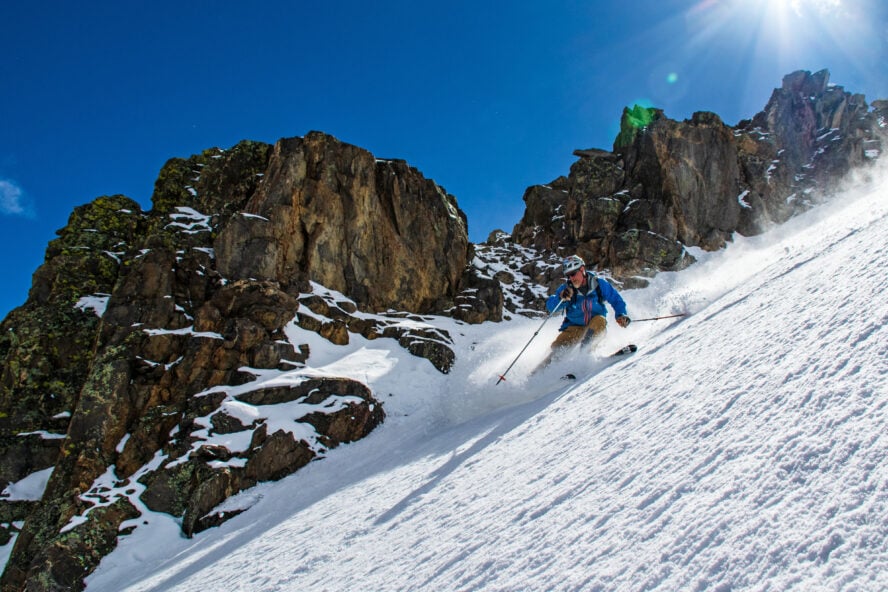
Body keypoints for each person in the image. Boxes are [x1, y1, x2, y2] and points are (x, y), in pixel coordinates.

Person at [535, 255, 631, 371]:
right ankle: (539, 374)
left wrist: (621, 314)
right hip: (574, 327)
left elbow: (616, 299)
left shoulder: (599, 284)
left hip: (595, 324)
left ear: (582, 270)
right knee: (558, 349)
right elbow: (551, 307)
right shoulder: (566, 289)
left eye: (573, 273)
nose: (571, 278)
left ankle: (583, 361)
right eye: (568, 275)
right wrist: (561, 299)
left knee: (599, 320)